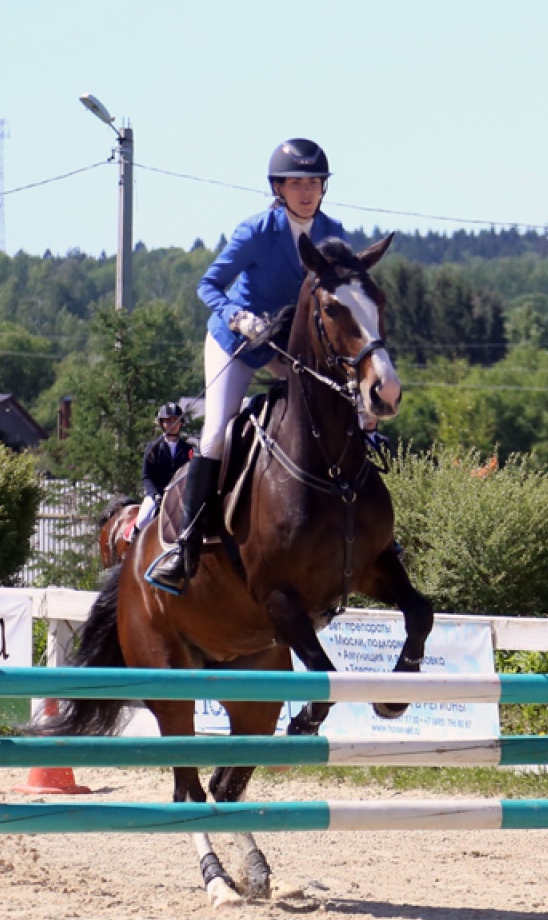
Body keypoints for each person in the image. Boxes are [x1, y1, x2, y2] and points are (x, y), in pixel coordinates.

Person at [146, 138, 350, 594]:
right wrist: (237, 319)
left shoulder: (334, 234)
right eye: (295, 183)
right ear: (278, 188)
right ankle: (186, 544)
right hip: (237, 340)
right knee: (217, 430)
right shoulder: (257, 230)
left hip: (285, 347)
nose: (305, 191)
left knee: (334, 411)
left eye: (313, 183)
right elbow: (208, 284)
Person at [138, 402, 194, 530]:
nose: (172, 424)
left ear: (181, 423)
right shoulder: (153, 448)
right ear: (161, 423)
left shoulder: (188, 449)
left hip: (180, 496)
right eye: (168, 421)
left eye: (175, 420)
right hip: (157, 495)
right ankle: (134, 543)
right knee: (142, 521)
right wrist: (155, 495)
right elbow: (146, 476)